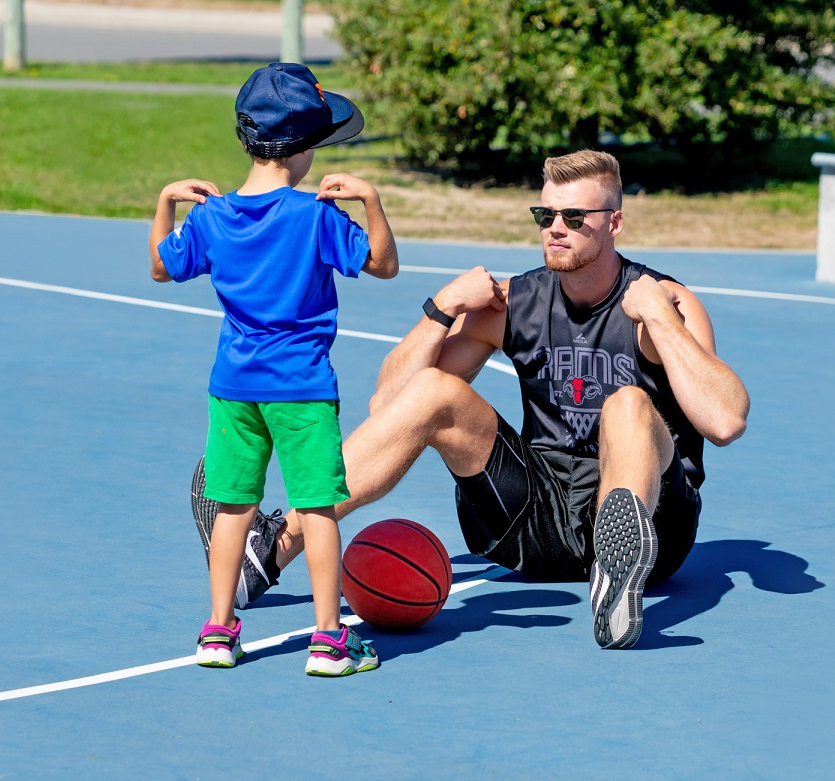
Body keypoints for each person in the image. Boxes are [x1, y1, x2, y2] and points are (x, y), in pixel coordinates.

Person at [194, 148, 749, 650]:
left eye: (574, 218)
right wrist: (442, 307)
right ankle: (269, 552)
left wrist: (658, 319)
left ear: (615, 223)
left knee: (628, 404)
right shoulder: (517, 302)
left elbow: (725, 420)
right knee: (439, 389)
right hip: (538, 518)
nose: (556, 229)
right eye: (545, 216)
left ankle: (617, 571)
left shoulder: (665, 302)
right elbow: (391, 403)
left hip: (656, 522)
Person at [150, 62, 399, 675]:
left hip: (233, 388)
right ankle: (327, 639)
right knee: (315, 508)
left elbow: (163, 266)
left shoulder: (210, 216)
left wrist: (164, 203)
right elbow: (384, 265)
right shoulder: (316, 217)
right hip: (303, 389)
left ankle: (217, 631)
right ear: (305, 148)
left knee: (233, 507)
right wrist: (370, 201)